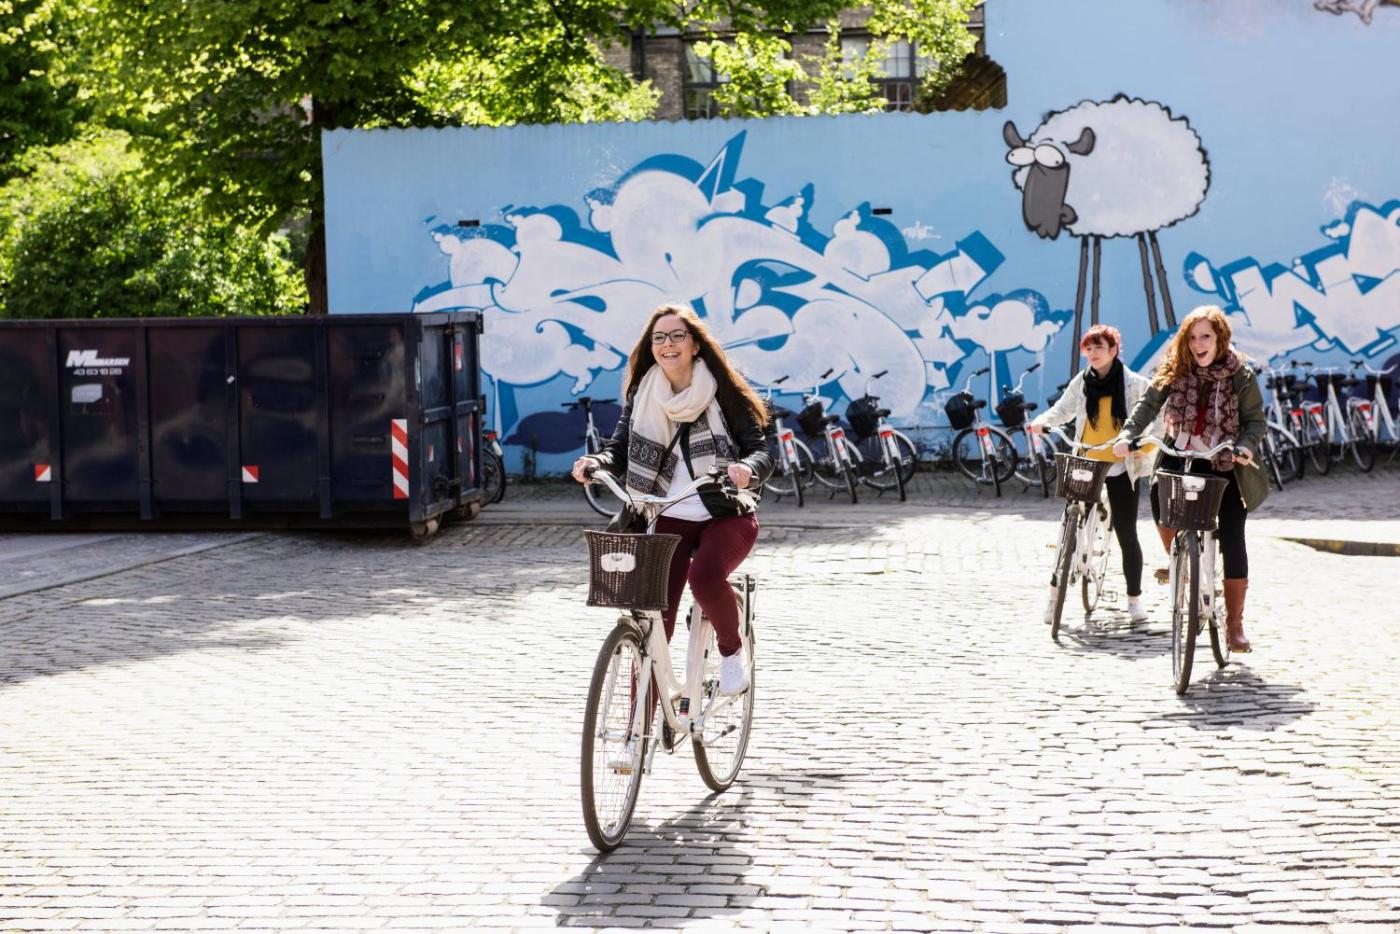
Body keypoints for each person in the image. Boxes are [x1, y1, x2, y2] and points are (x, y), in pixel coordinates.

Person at [572, 303, 773, 694]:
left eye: (678, 335)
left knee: (705, 577)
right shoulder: (644, 392)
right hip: (664, 516)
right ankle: (639, 724)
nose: (668, 344)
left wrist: (747, 469)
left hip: (724, 513)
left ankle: (732, 652)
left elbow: (760, 451)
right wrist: (596, 462)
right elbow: (620, 448)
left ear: (695, 345)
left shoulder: (722, 391)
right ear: (652, 347)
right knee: (653, 629)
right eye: (659, 337)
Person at [1112, 304, 1268, 652]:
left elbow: (1255, 421)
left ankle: (1234, 626)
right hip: (1181, 452)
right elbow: (1147, 406)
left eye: (1206, 337)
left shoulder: (1240, 374)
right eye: (1193, 337)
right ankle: (1180, 558)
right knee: (1158, 495)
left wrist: (1245, 446)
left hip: (1225, 459)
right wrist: (1128, 435)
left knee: (1233, 534)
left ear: (1220, 339)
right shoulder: (1175, 368)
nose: (1199, 344)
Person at [1030, 324, 1158, 624]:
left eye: (1099, 347)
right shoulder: (1083, 381)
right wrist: (1042, 421)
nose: (1093, 353)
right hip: (1086, 462)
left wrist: (1140, 446)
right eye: (1088, 348)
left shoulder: (1134, 383)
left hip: (1121, 466)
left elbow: (1157, 418)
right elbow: (1062, 410)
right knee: (1068, 530)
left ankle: (1134, 600)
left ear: (1114, 350)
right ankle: (1054, 598)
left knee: (1127, 533)